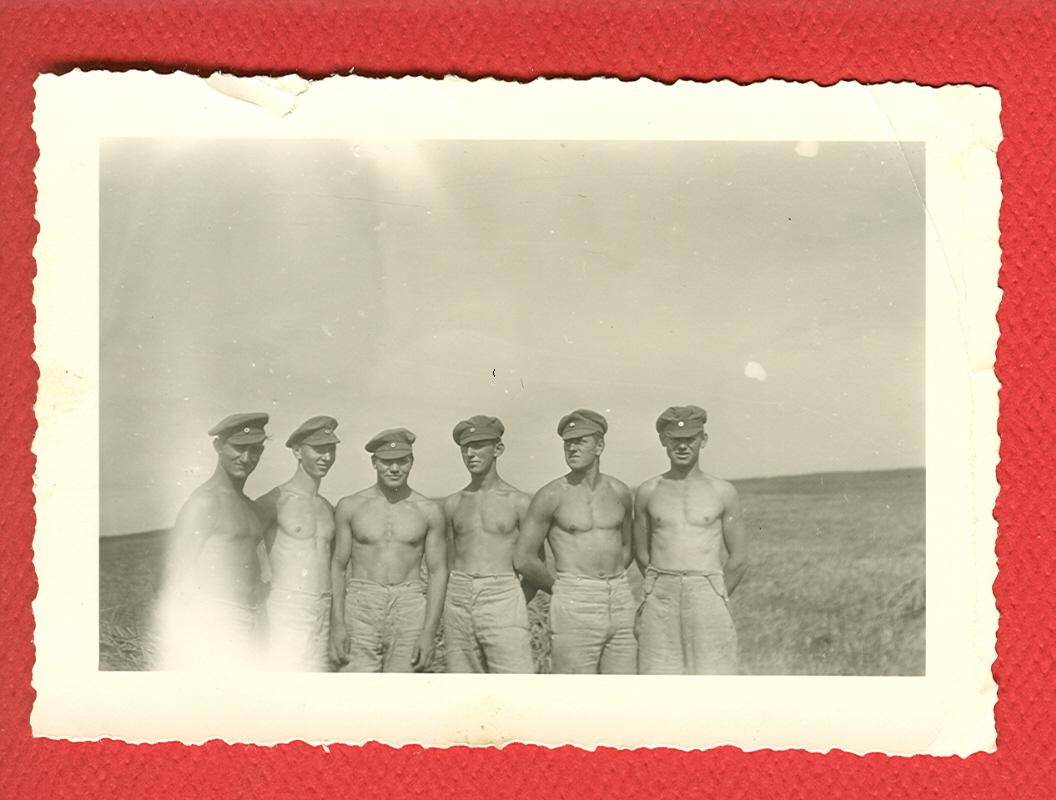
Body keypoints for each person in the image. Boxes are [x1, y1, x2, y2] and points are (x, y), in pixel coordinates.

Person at [514, 409, 636, 674]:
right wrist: (563, 589)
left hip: (620, 597)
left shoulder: (620, 492)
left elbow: (627, 546)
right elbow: (524, 558)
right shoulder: (551, 495)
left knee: (624, 688)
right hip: (574, 599)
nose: (572, 448)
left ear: (599, 446)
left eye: (580, 441)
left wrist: (610, 580)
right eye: (567, 443)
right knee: (574, 690)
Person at [632, 405, 749, 674]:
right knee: (657, 676)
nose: (682, 446)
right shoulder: (648, 491)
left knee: (714, 677)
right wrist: (659, 587)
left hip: (707, 591)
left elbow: (739, 558)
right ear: (664, 441)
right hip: (661, 594)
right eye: (675, 439)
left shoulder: (723, 491)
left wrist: (716, 593)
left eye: (690, 439)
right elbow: (642, 552)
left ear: (703, 440)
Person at [156, 412, 269, 671]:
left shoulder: (251, 507)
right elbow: (170, 578)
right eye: (238, 448)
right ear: (218, 446)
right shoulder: (204, 503)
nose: (246, 458)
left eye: (254, 450)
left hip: (252, 621)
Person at [329, 428, 448, 672]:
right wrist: (337, 624)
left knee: (404, 688)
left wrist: (429, 632)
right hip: (361, 603)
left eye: (402, 461)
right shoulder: (351, 506)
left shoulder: (428, 510)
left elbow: (438, 571)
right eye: (386, 461)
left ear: (411, 462)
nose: (394, 469)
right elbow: (338, 566)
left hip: (410, 604)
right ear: (374, 462)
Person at [441, 415, 535, 673]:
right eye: (465, 448)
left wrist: (512, 601)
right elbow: (448, 563)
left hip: (503, 594)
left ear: (498, 449)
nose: (470, 453)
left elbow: (535, 563)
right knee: (462, 682)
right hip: (458, 597)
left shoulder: (519, 502)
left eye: (479, 446)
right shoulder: (453, 504)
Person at [255, 416, 340, 672]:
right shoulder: (274, 501)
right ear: (297, 451)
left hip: (323, 607)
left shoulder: (327, 507)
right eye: (319, 449)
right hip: (287, 607)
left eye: (331, 449)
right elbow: (245, 554)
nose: (326, 457)